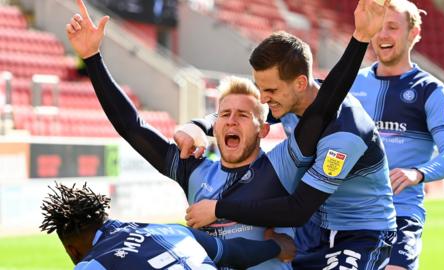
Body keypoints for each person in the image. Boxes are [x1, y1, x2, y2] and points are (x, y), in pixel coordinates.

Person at [65, 0, 373, 269]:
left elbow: (323, 107)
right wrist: (92, 58)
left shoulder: (282, 166)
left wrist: (359, 38)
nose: (231, 121)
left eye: (243, 115)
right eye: (224, 114)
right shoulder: (194, 170)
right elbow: (132, 127)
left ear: (263, 128)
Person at [180, 2, 398, 270]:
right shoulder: (288, 101)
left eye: (269, 90)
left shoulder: (344, 134)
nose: (262, 98)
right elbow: (246, 117)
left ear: (300, 84)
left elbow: (297, 209)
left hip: (358, 234)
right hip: (312, 230)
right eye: (260, 89)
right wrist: (199, 126)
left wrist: (218, 208)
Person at [348, 1, 444, 269]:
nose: (383, 35)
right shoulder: (353, 82)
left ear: (413, 34)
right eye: (379, 27)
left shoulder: (429, 89)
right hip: (349, 213)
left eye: (392, 27)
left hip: (400, 213)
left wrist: (417, 173)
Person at [39, 182, 296, 269]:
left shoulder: (92, 264)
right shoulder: (172, 230)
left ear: (72, 251)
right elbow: (234, 254)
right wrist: (278, 246)